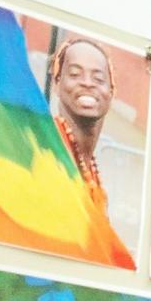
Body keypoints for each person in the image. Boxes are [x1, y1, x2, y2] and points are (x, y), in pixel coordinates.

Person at [49, 37, 116, 215]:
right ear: (57, 83)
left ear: (111, 92)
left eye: (98, 78)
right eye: (75, 74)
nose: (87, 83)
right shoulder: (46, 148)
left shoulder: (92, 173)